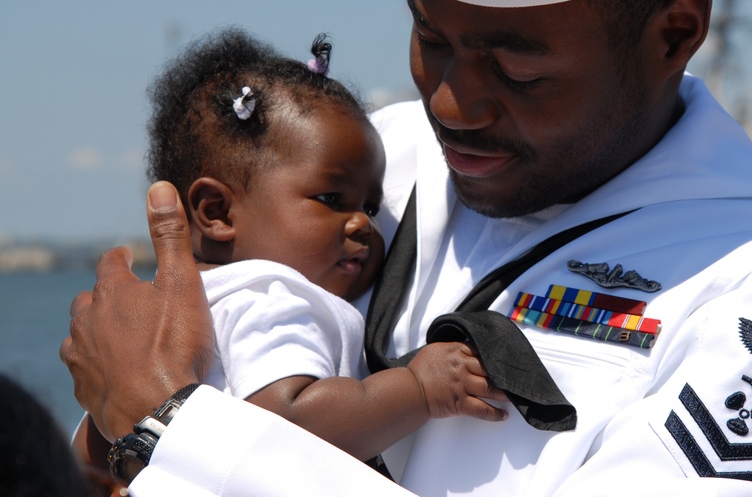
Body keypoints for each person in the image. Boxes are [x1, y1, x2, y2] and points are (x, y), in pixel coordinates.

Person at [61, 0, 752, 495]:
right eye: (431, 39)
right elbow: (159, 372)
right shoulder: (375, 163)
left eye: (519, 69)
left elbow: (160, 404)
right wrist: (110, 426)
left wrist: (169, 429)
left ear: (676, 32)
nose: (452, 104)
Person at [70, 29, 505, 485]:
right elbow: (287, 425)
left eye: (370, 208)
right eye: (332, 198)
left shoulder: (170, 312)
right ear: (216, 211)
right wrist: (419, 388)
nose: (363, 224)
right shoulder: (271, 295)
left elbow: (97, 447)